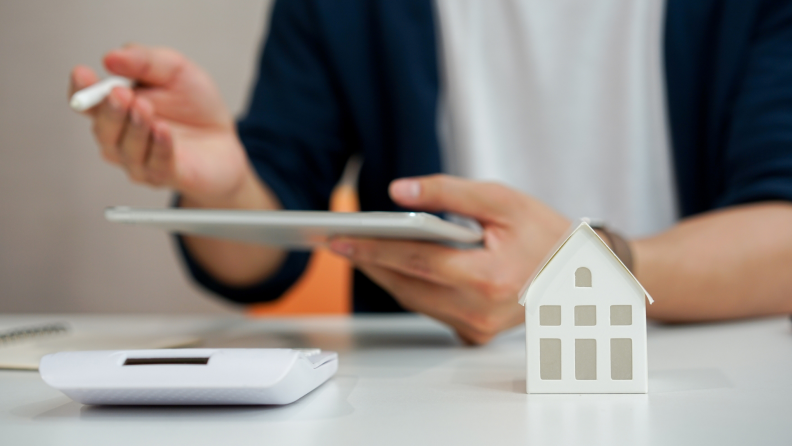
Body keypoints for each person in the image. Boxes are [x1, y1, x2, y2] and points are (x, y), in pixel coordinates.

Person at [69, 0, 792, 344]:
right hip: (424, 390)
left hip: (702, 372)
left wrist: (589, 270)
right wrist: (222, 187)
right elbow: (255, 264)